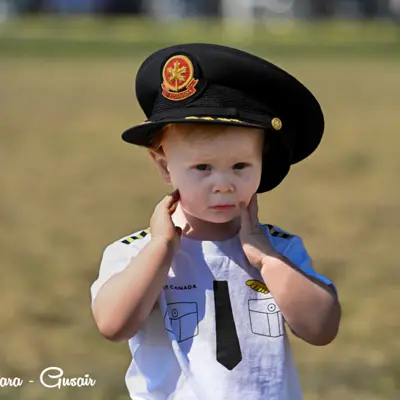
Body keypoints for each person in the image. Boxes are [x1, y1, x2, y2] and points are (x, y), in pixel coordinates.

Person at [90, 43, 341, 400]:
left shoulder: (279, 248)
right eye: (202, 168)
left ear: (262, 164)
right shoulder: (136, 251)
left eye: (241, 166)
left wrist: (267, 260)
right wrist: (161, 249)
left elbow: (322, 328)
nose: (223, 184)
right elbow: (113, 325)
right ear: (164, 166)